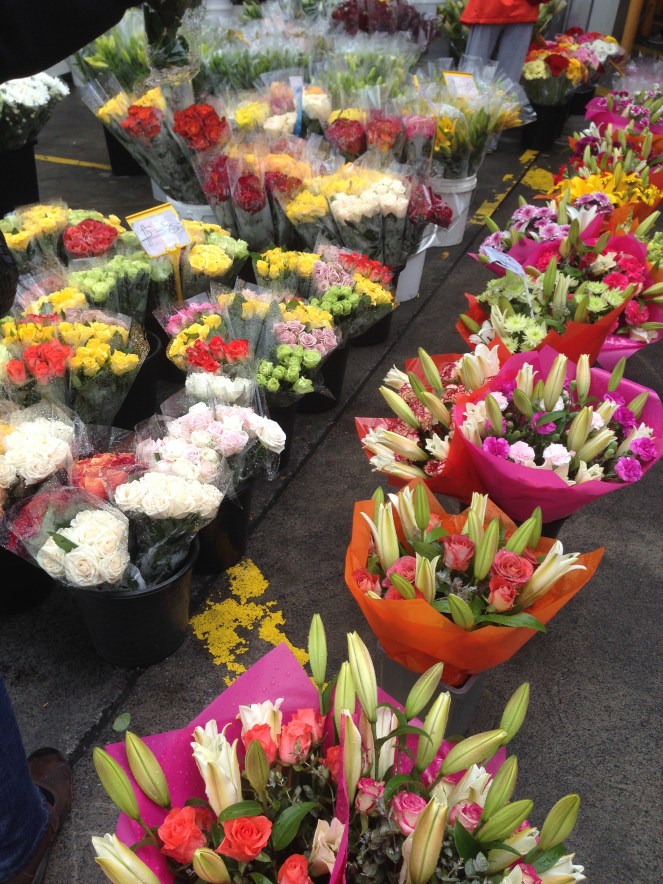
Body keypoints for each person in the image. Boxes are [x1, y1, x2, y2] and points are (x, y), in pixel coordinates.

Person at [461, 0, 547, 86]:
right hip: (522, 9)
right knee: (509, 78)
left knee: (474, 66)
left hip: (491, 7)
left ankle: (466, 92)